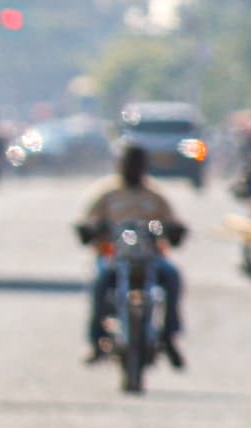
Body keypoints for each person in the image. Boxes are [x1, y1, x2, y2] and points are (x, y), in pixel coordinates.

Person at [73, 145, 188, 366]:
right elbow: (89, 220)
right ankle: (97, 338)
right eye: (128, 164)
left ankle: (169, 335)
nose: (132, 169)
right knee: (98, 284)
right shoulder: (106, 193)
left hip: (151, 260)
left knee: (173, 277)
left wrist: (174, 230)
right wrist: (91, 229)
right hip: (114, 259)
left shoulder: (155, 196)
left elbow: (171, 221)